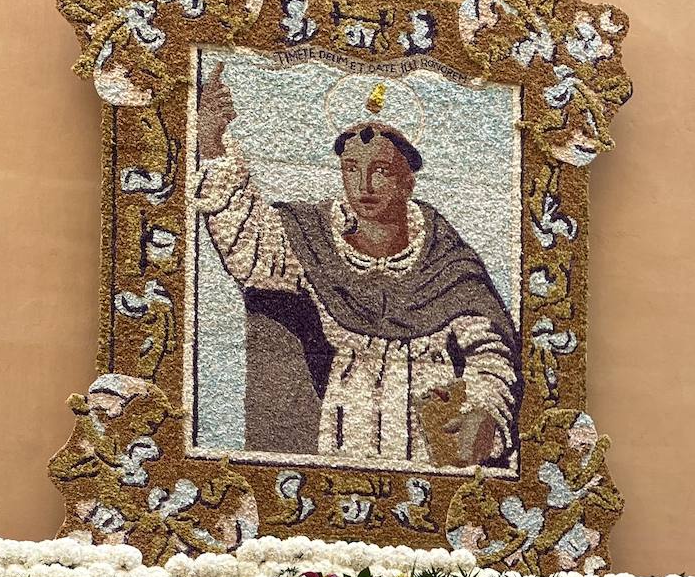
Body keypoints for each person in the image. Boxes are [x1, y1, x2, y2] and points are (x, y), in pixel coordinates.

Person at [195, 64, 521, 466]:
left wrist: (483, 409)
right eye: (352, 169)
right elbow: (253, 247)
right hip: (345, 428)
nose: (363, 185)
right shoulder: (315, 242)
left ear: (407, 181)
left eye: (381, 171)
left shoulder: (444, 257)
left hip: (430, 443)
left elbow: (492, 350)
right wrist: (211, 141)